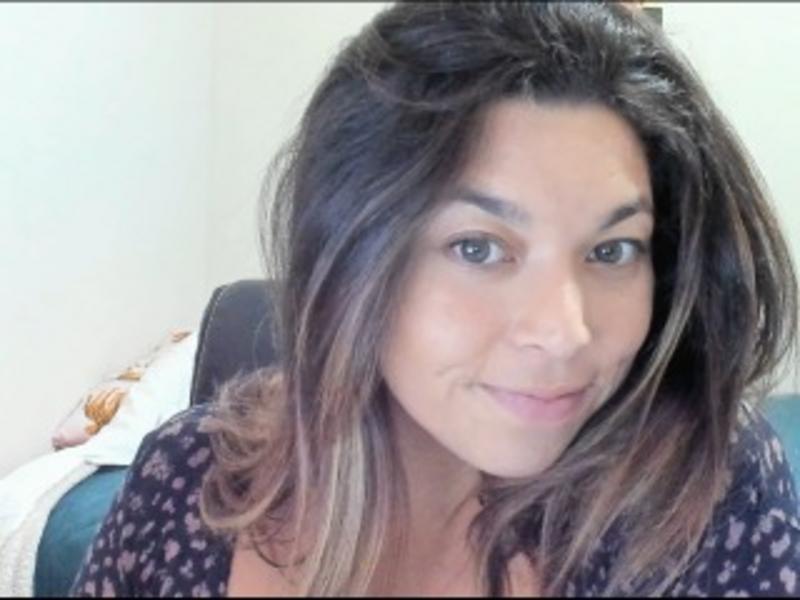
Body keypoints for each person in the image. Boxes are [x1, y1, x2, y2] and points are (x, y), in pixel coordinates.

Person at [71, 2, 800, 596]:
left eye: (611, 251)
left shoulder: (705, 492)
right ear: (351, 259)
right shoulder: (186, 484)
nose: (566, 332)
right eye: (478, 248)